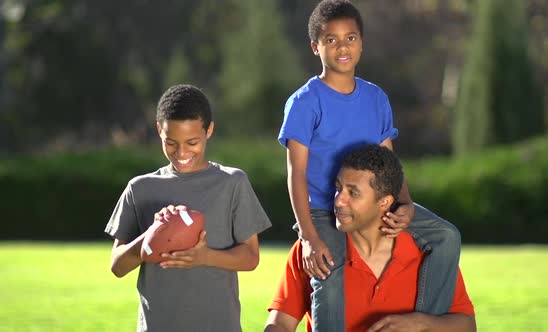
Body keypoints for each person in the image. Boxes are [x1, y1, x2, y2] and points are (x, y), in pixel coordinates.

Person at [278, 0, 461, 330]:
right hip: (324, 210)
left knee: (447, 236)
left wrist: (404, 204)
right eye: (331, 40)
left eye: (350, 38)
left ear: (361, 42)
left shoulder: (376, 98)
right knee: (328, 270)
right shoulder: (305, 103)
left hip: (376, 202)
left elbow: (389, 161)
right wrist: (308, 236)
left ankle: (423, 323)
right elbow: (296, 173)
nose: (342, 47)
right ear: (315, 47)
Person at [104, 84, 272, 332]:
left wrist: (205, 257)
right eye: (170, 142)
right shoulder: (140, 188)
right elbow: (117, 267)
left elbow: (250, 257)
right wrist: (154, 234)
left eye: (192, 142)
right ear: (158, 131)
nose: (181, 152)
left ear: (209, 130)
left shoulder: (232, 183)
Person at [265, 145, 476, 332]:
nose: (339, 201)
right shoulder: (314, 250)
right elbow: (280, 324)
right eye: (338, 188)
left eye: (353, 193)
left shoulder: (429, 252)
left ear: (384, 202)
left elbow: (466, 325)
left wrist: (422, 323)